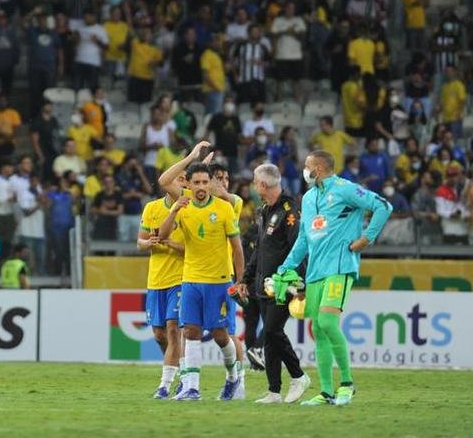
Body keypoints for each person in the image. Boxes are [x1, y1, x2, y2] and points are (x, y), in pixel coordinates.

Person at [270, 150, 392, 406]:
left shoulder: (345, 189)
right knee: (318, 329)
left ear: (318, 168)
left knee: (326, 321)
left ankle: (347, 384)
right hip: (315, 271)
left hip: (340, 265)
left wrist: (366, 238)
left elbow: (383, 205)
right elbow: (304, 238)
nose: (304, 171)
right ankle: (326, 391)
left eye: (307, 166)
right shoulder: (310, 197)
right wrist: (285, 267)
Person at [155, 146, 245, 402]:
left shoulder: (226, 208)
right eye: (196, 182)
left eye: (206, 181)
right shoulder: (182, 204)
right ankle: (192, 388)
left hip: (219, 281)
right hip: (191, 279)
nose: (201, 186)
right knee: (190, 332)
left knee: (219, 335)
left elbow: (237, 249)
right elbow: (161, 235)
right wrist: (192, 158)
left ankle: (232, 378)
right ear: (190, 185)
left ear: (211, 184)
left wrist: (239, 281)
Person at [239, 164, 310, 404]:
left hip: (284, 284)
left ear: (263, 185)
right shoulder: (265, 210)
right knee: (269, 337)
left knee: (271, 330)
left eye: (255, 182)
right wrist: (245, 279)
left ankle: (298, 376)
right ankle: (274, 391)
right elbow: (260, 249)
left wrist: (297, 282)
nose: (253, 186)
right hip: (263, 284)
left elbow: (299, 248)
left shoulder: (290, 211)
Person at [141, 161, 186, 400]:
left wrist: (170, 243)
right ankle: (176, 368)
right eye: (176, 179)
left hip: (179, 278)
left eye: (181, 179)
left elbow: (193, 249)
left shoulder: (188, 209)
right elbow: (139, 241)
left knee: (172, 329)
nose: (177, 183)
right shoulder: (151, 208)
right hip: (155, 279)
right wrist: (148, 243)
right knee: (159, 334)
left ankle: (165, 385)